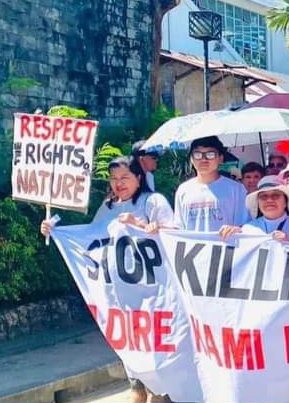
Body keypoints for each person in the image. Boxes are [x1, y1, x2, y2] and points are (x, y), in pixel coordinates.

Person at [40, 156, 174, 403]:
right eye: (113, 179)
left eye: (124, 177)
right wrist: (55, 231)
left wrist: (140, 225)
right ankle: (138, 388)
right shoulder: (107, 207)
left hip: (154, 294)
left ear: (139, 178)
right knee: (132, 350)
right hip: (120, 295)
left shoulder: (153, 201)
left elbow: (175, 235)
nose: (118, 183)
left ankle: (161, 392)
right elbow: (92, 238)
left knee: (156, 351)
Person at [173, 136, 249, 232]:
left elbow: (245, 226)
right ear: (191, 159)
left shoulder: (236, 189)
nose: (203, 159)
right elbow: (178, 227)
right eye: (198, 155)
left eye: (210, 154)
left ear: (221, 158)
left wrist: (237, 229)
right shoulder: (183, 190)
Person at [219, 175, 289, 245]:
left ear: (285, 202)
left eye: (275, 195)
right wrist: (232, 236)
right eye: (264, 196)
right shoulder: (248, 229)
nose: (269, 200)